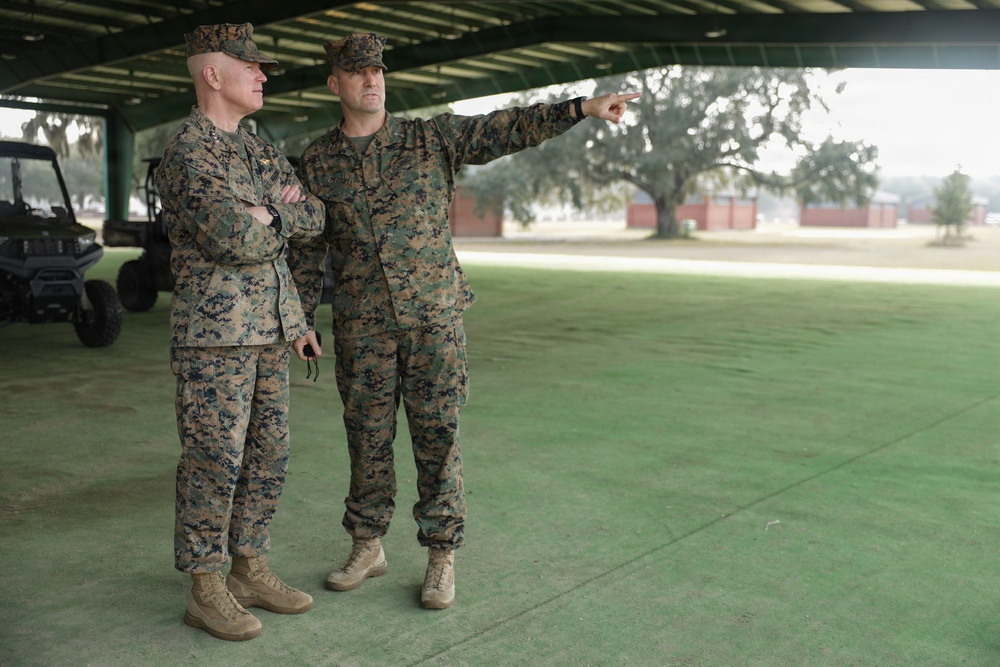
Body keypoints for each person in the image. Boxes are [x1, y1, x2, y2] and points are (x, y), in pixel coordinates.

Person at [300, 32, 638, 611]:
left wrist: (581, 108)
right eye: (357, 74)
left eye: (378, 71)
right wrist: (303, 315)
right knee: (366, 438)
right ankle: (367, 545)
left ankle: (440, 555)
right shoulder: (316, 160)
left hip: (433, 318)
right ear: (336, 85)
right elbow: (307, 247)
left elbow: (506, 128)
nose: (372, 81)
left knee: (438, 436)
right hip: (363, 326)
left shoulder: (429, 138)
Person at [157, 22, 327, 641]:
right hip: (215, 336)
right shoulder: (188, 152)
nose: (262, 75)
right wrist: (264, 214)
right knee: (214, 460)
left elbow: (311, 215)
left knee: (268, 455)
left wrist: (270, 209)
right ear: (212, 74)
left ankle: (249, 566)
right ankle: (206, 587)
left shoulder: (255, 146)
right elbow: (232, 236)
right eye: (249, 65)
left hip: (271, 330)